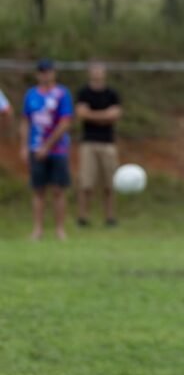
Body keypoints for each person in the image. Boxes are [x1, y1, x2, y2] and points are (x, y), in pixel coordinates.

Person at [20, 59, 74, 241]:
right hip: (35, 149)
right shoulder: (31, 95)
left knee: (59, 190)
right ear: (38, 74)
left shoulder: (61, 94)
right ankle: (38, 229)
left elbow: (65, 122)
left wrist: (47, 146)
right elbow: (26, 121)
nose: (46, 75)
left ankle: (60, 230)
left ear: (54, 73)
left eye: (49, 71)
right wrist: (24, 146)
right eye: (42, 72)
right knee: (38, 190)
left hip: (57, 150)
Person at [76, 62, 122, 227]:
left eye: (99, 70)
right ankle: (83, 217)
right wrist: (104, 115)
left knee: (110, 183)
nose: (97, 74)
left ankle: (110, 217)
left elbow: (115, 115)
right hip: (88, 142)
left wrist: (92, 114)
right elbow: (81, 114)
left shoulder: (112, 94)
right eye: (94, 70)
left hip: (108, 143)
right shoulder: (84, 93)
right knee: (86, 182)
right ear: (89, 72)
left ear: (105, 73)